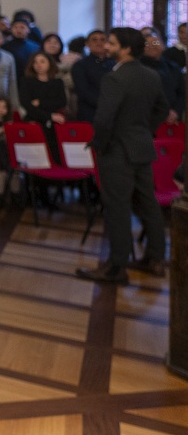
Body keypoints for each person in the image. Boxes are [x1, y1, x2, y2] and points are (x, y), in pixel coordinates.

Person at [77, 27, 169, 284]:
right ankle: (155, 259)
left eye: (112, 43)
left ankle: (116, 267)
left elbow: (104, 118)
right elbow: (162, 108)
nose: (106, 46)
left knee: (117, 208)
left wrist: (102, 144)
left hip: (117, 151)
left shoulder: (114, 77)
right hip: (141, 147)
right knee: (148, 205)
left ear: (126, 49)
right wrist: (143, 130)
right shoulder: (151, 75)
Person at [71, 29, 113, 123]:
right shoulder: (80, 65)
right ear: (87, 44)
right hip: (90, 114)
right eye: (94, 40)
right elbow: (83, 91)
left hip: (115, 113)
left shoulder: (114, 63)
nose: (99, 42)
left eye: (103, 40)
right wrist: (105, 105)